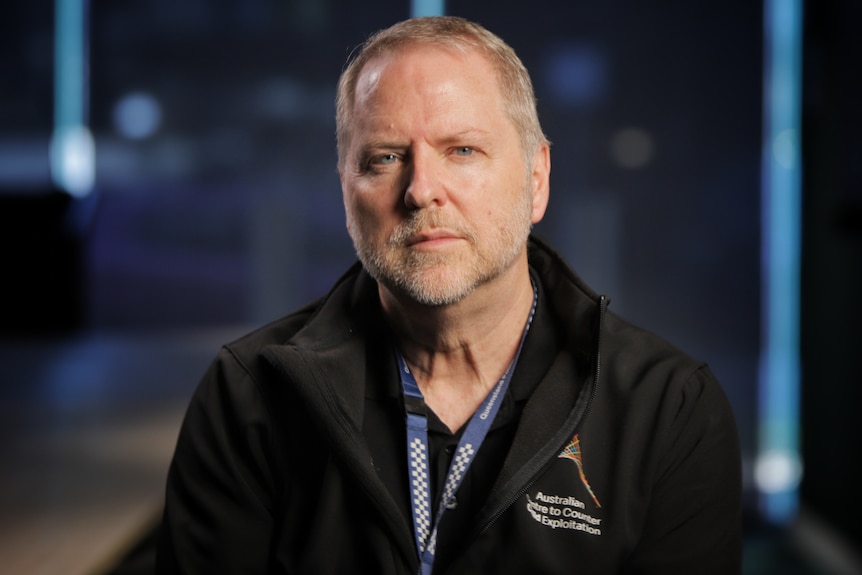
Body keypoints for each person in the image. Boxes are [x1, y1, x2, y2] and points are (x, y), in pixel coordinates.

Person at [156, 15, 742, 575]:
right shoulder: (250, 398)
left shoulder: (667, 411)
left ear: (536, 180)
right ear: (345, 192)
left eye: (462, 150)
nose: (420, 190)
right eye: (385, 158)